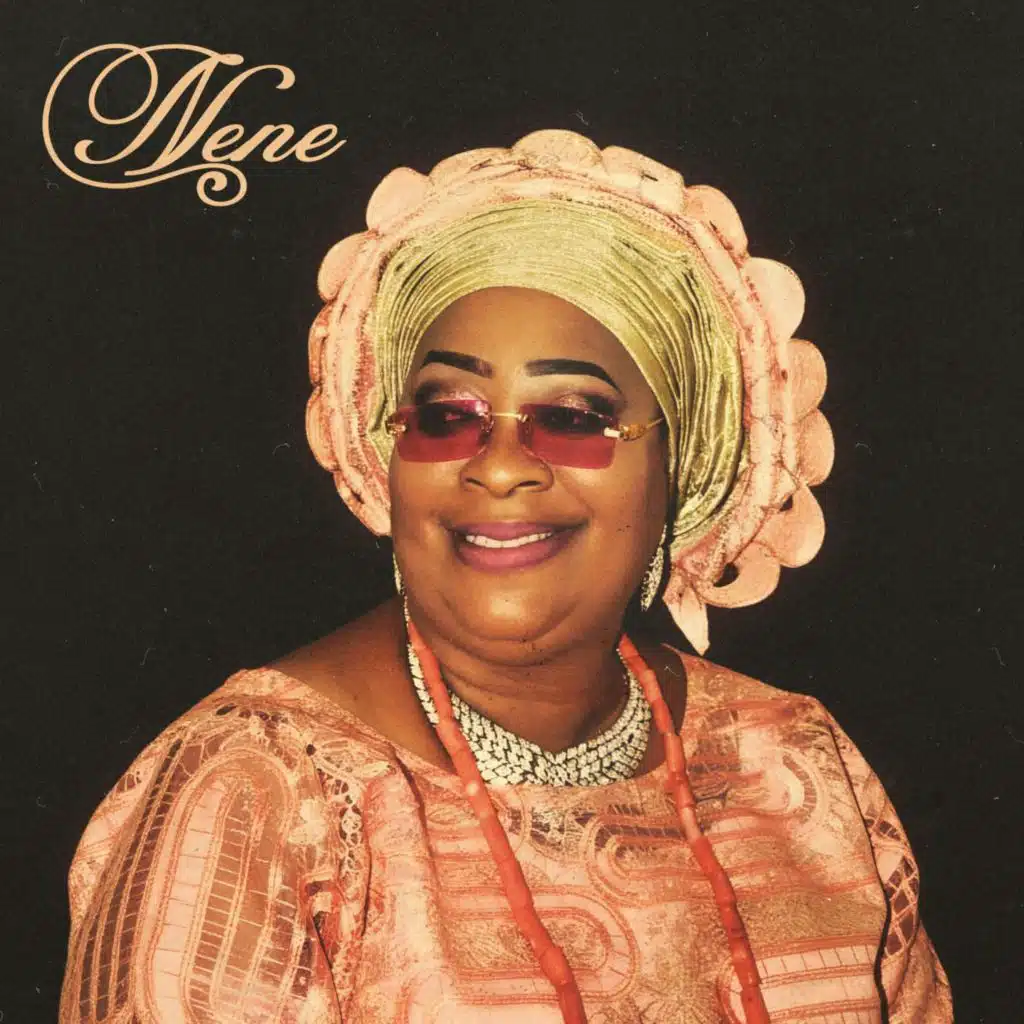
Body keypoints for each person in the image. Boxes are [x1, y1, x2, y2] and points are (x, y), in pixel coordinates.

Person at [58, 130, 953, 1023]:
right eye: (446, 414)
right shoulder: (258, 792)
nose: (498, 465)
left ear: (679, 466)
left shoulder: (794, 763)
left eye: (574, 416)